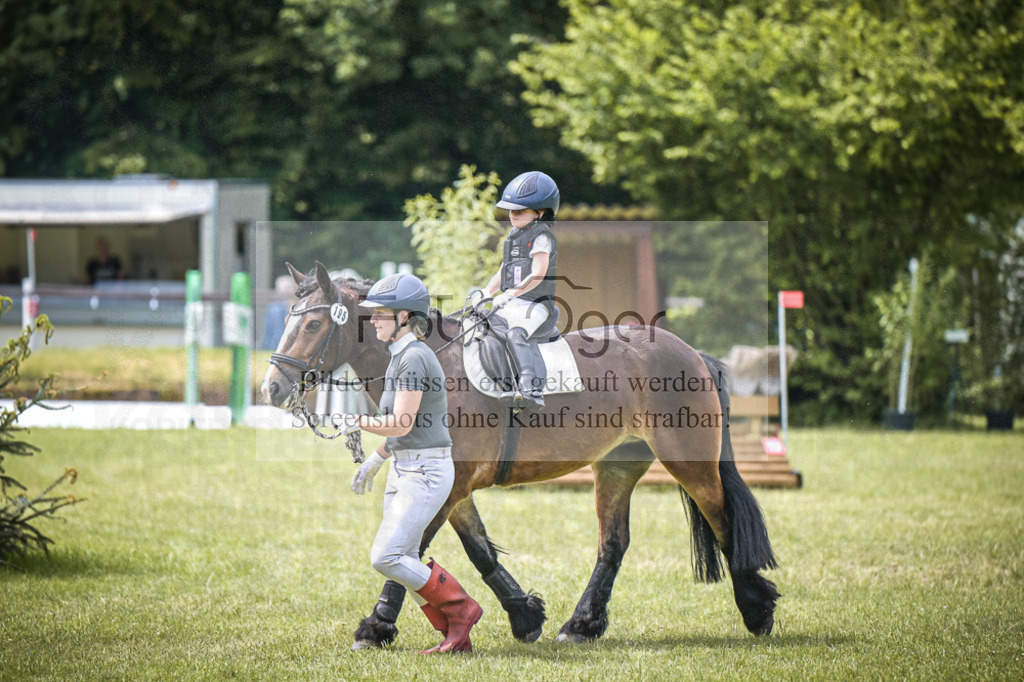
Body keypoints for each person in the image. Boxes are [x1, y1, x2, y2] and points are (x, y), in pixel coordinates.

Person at [349, 272, 483, 654]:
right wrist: (375, 459)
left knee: (385, 557)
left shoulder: (412, 359)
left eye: (381, 313)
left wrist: (356, 420)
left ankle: (463, 609)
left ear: (404, 316)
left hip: (425, 472)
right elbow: (410, 427)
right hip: (405, 467)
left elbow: (401, 423)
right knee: (403, 557)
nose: (373, 319)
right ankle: (457, 634)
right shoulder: (400, 355)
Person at [477, 171, 560, 412]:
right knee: (486, 328)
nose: (512, 215)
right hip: (513, 301)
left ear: (540, 212)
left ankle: (530, 389)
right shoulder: (514, 237)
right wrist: (486, 292)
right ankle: (505, 384)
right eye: (511, 211)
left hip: (536, 304)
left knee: (516, 333)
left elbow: (538, 273)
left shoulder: (542, 237)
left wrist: (512, 293)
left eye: (520, 210)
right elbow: (503, 271)